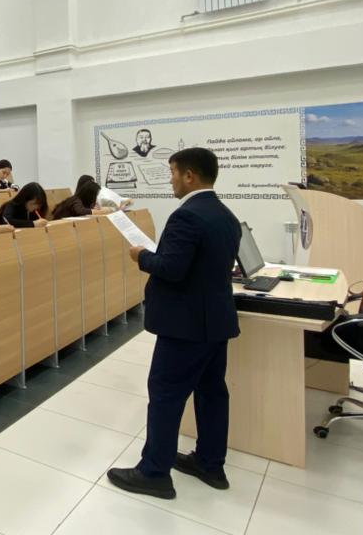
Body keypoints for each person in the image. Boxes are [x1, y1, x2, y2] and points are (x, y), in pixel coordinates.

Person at [107, 148, 241, 501]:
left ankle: (154, 472)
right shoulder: (225, 214)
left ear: (189, 176)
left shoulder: (187, 216)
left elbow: (172, 269)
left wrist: (142, 256)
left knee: (165, 395)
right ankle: (210, 463)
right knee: (212, 394)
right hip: (215, 321)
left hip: (186, 325)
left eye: (172, 172)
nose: (170, 180)